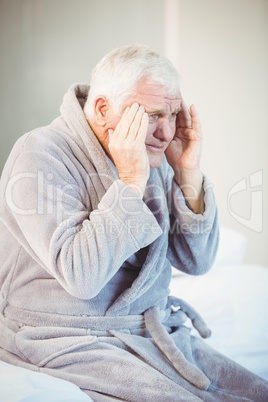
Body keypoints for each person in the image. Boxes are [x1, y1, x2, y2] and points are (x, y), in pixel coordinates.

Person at [0, 43, 267, 401]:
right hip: (62, 336)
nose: (167, 132)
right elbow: (82, 276)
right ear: (103, 109)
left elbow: (197, 261)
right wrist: (130, 182)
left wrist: (188, 172)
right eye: (153, 115)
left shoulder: (149, 155)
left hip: (148, 330)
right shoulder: (40, 153)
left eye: (173, 115)